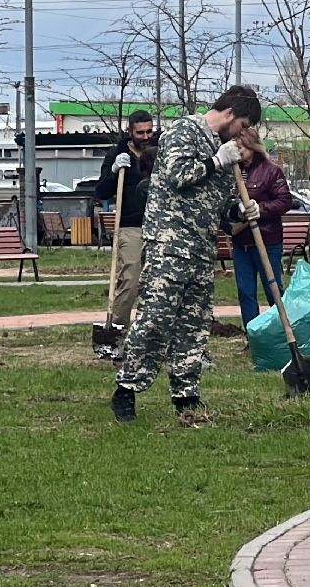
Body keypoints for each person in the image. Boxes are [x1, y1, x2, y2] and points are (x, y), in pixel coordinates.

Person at [112, 86, 264, 425]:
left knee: (193, 325)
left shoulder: (223, 151)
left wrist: (240, 211)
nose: (243, 133)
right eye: (243, 124)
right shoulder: (185, 130)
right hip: (169, 243)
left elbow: (219, 204)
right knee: (156, 318)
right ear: (229, 114)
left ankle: (186, 395)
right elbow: (179, 176)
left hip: (200, 248)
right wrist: (216, 160)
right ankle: (127, 388)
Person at [93, 110, 157, 358]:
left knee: (156, 286)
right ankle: (117, 334)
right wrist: (113, 172)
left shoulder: (159, 152)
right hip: (130, 225)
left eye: (149, 131)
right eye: (140, 132)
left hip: (159, 225)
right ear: (130, 131)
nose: (145, 136)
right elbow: (102, 191)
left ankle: (150, 341)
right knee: (130, 279)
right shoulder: (117, 154)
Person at [230, 141, 293, 329]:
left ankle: (282, 332)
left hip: (267, 240)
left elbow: (284, 200)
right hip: (242, 242)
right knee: (245, 291)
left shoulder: (271, 171)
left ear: (252, 146)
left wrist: (261, 209)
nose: (237, 151)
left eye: (240, 146)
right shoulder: (232, 172)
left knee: (273, 289)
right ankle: (253, 336)